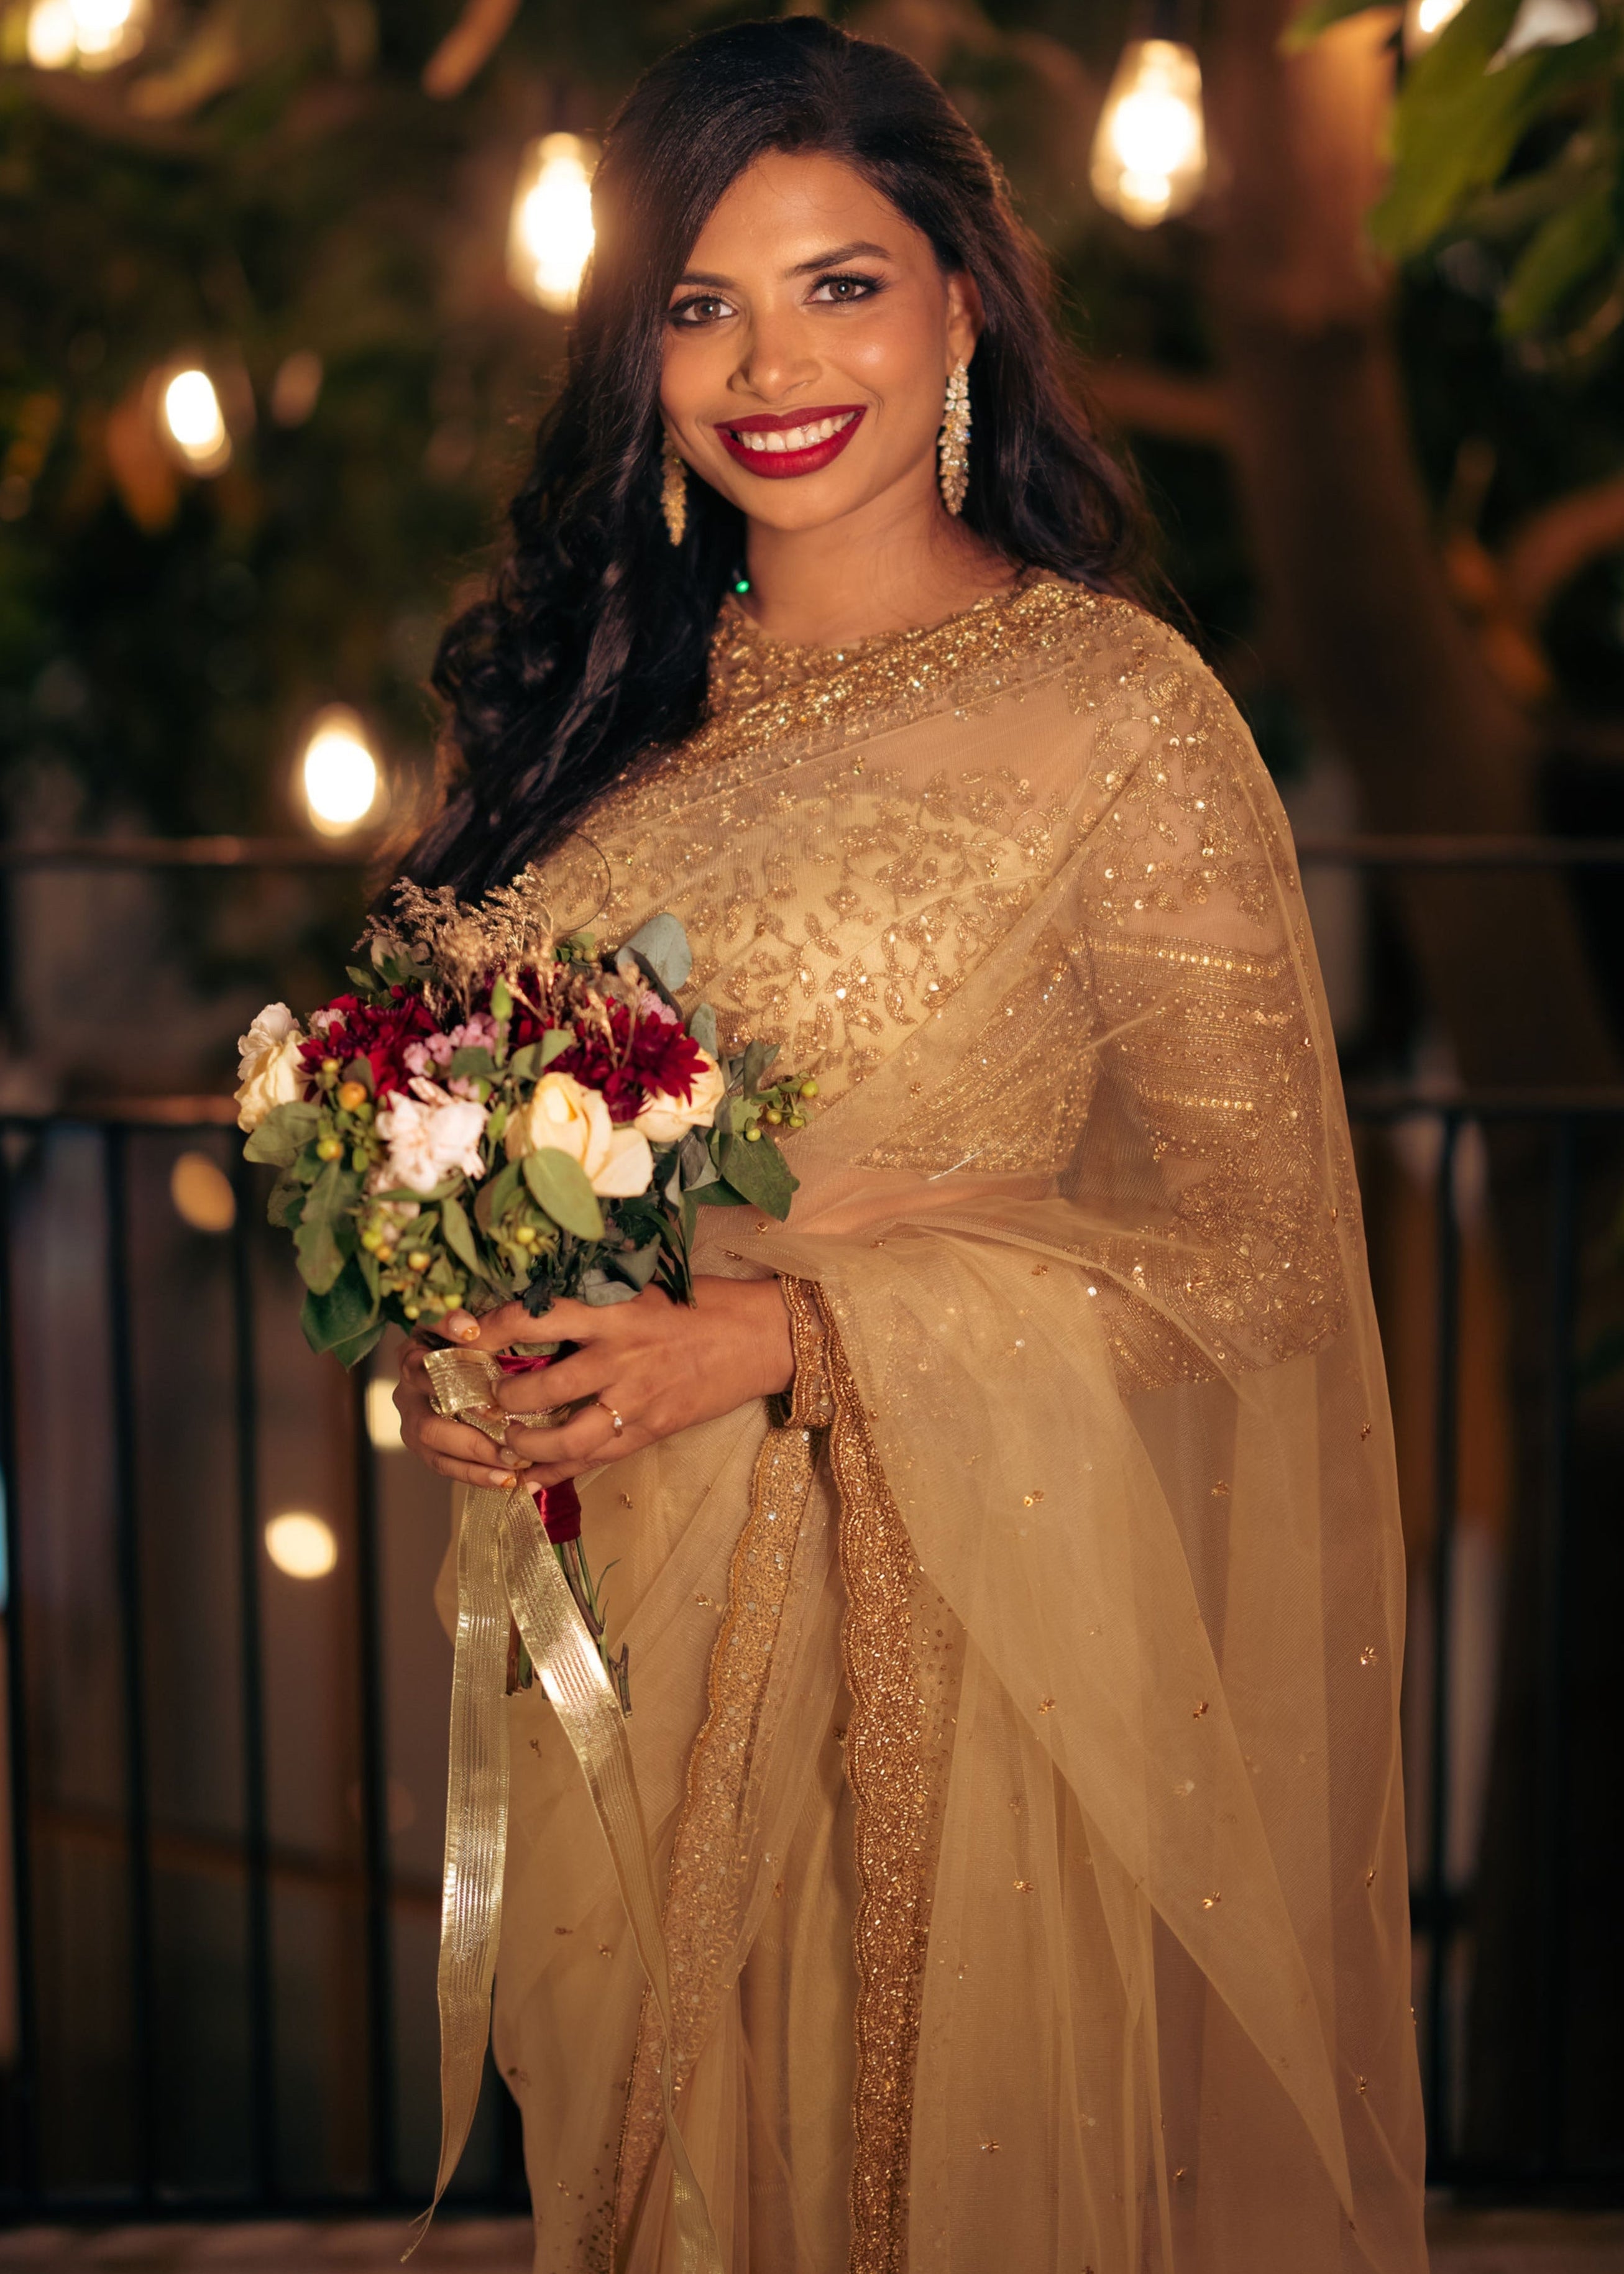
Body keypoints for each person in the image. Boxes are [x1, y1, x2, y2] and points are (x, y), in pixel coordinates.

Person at [391, 17, 1428, 2272]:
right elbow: (496, 1165)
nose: (770, 362)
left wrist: (791, 1336)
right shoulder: (615, 732)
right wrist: (468, 1335)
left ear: (965, 303)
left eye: (839, 283)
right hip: (645, 1673)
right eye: (702, 304)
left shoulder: (1120, 719)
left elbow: (1251, 1256)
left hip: (974, 1680)